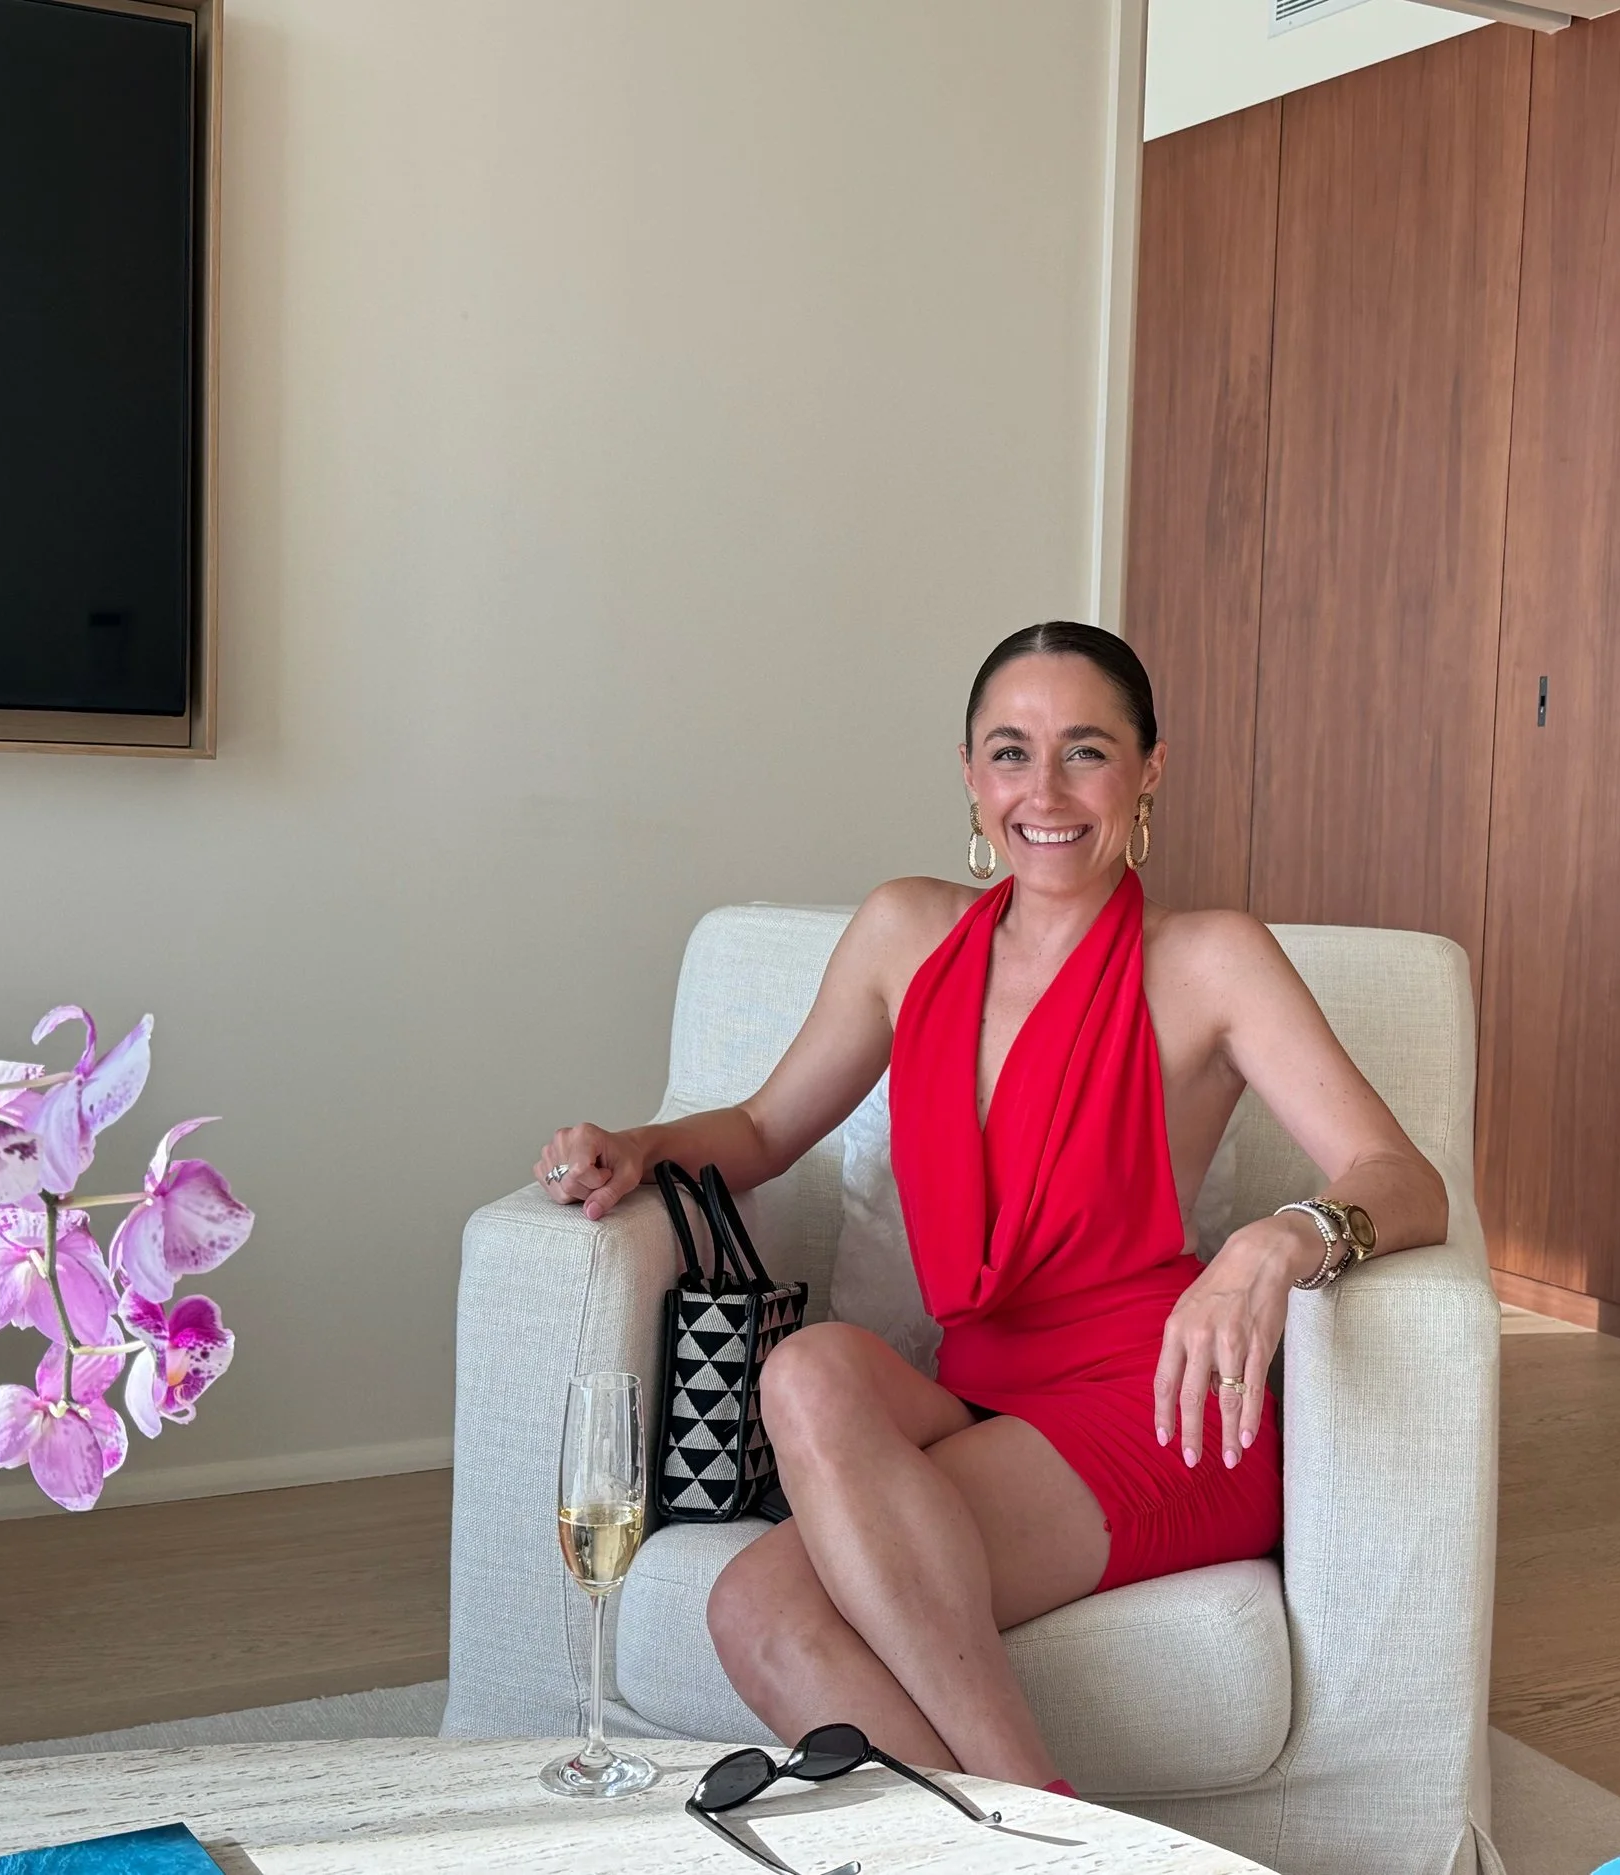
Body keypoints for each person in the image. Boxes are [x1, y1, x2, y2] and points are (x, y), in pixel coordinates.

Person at [534, 621, 1447, 1791]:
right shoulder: (903, 935)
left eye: (1087, 751)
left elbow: (1398, 1178)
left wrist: (1283, 1238)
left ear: (1149, 769)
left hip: (1152, 1408)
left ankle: (1029, 1825)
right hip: (980, 1394)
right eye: (1011, 753)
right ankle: (1035, 1844)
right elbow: (763, 1132)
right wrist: (637, 1148)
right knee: (791, 1431)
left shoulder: (1209, 958)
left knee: (767, 1606)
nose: (1045, 791)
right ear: (970, 774)